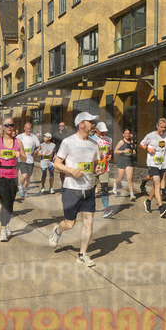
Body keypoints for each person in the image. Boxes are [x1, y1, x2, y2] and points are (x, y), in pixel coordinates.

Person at [49, 112, 103, 267]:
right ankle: (58, 230)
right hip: (71, 189)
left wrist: (97, 170)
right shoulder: (68, 142)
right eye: (90, 122)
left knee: (89, 222)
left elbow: (94, 165)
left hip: (89, 188)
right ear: (81, 124)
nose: (93, 125)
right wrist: (71, 170)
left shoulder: (94, 144)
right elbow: (57, 164)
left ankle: (82, 254)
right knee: (70, 224)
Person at [0, 117, 27, 241]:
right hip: (1, 175)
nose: (10, 127)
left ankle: (6, 226)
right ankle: (3, 229)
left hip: (13, 176)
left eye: (12, 125)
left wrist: (20, 155)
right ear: (3, 127)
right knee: (5, 203)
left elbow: (24, 159)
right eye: (7, 125)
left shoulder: (18, 142)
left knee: (10, 204)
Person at [139, 118, 166, 218]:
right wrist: (148, 148)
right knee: (157, 183)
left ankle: (148, 201)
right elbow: (141, 144)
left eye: (164, 127)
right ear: (157, 126)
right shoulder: (150, 135)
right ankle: (161, 207)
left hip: (162, 164)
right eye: (161, 127)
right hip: (152, 163)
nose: (163, 129)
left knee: (156, 186)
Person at [91, 122, 113, 218]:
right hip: (93, 168)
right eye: (102, 131)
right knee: (91, 189)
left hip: (104, 167)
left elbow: (110, 151)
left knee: (105, 188)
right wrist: (95, 154)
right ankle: (89, 207)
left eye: (105, 131)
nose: (104, 133)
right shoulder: (91, 139)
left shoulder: (109, 139)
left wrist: (110, 156)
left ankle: (106, 209)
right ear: (97, 130)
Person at [15, 122, 41, 197]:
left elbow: (39, 146)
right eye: (27, 129)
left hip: (30, 160)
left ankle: (25, 190)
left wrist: (37, 150)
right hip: (22, 159)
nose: (28, 130)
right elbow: (14, 145)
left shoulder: (34, 137)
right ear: (24, 128)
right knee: (24, 175)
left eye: (30, 129)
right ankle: (21, 187)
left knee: (28, 177)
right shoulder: (19, 136)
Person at [113, 128, 137, 201]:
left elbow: (133, 150)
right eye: (126, 133)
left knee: (130, 179)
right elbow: (115, 151)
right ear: (123, 134)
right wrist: (123, 151)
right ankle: (115, 184)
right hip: (122, 161)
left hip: (129, 161)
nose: (127, 135)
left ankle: (132, 195)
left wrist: (134, 152)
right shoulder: (121, 142)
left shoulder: (131, 142)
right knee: (120, 178)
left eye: (128, 133)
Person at [51, 121, 70, 188]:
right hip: (60, 154)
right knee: (62, 170)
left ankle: (67, 184)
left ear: (65, 127)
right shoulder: (55, 135)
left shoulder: (68, 134)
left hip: (68, 154)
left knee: (68, 169)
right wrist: (55, 154)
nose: (61, 127)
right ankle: (63, 184)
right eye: (60, 126)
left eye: (62, 126)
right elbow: (53, 145)